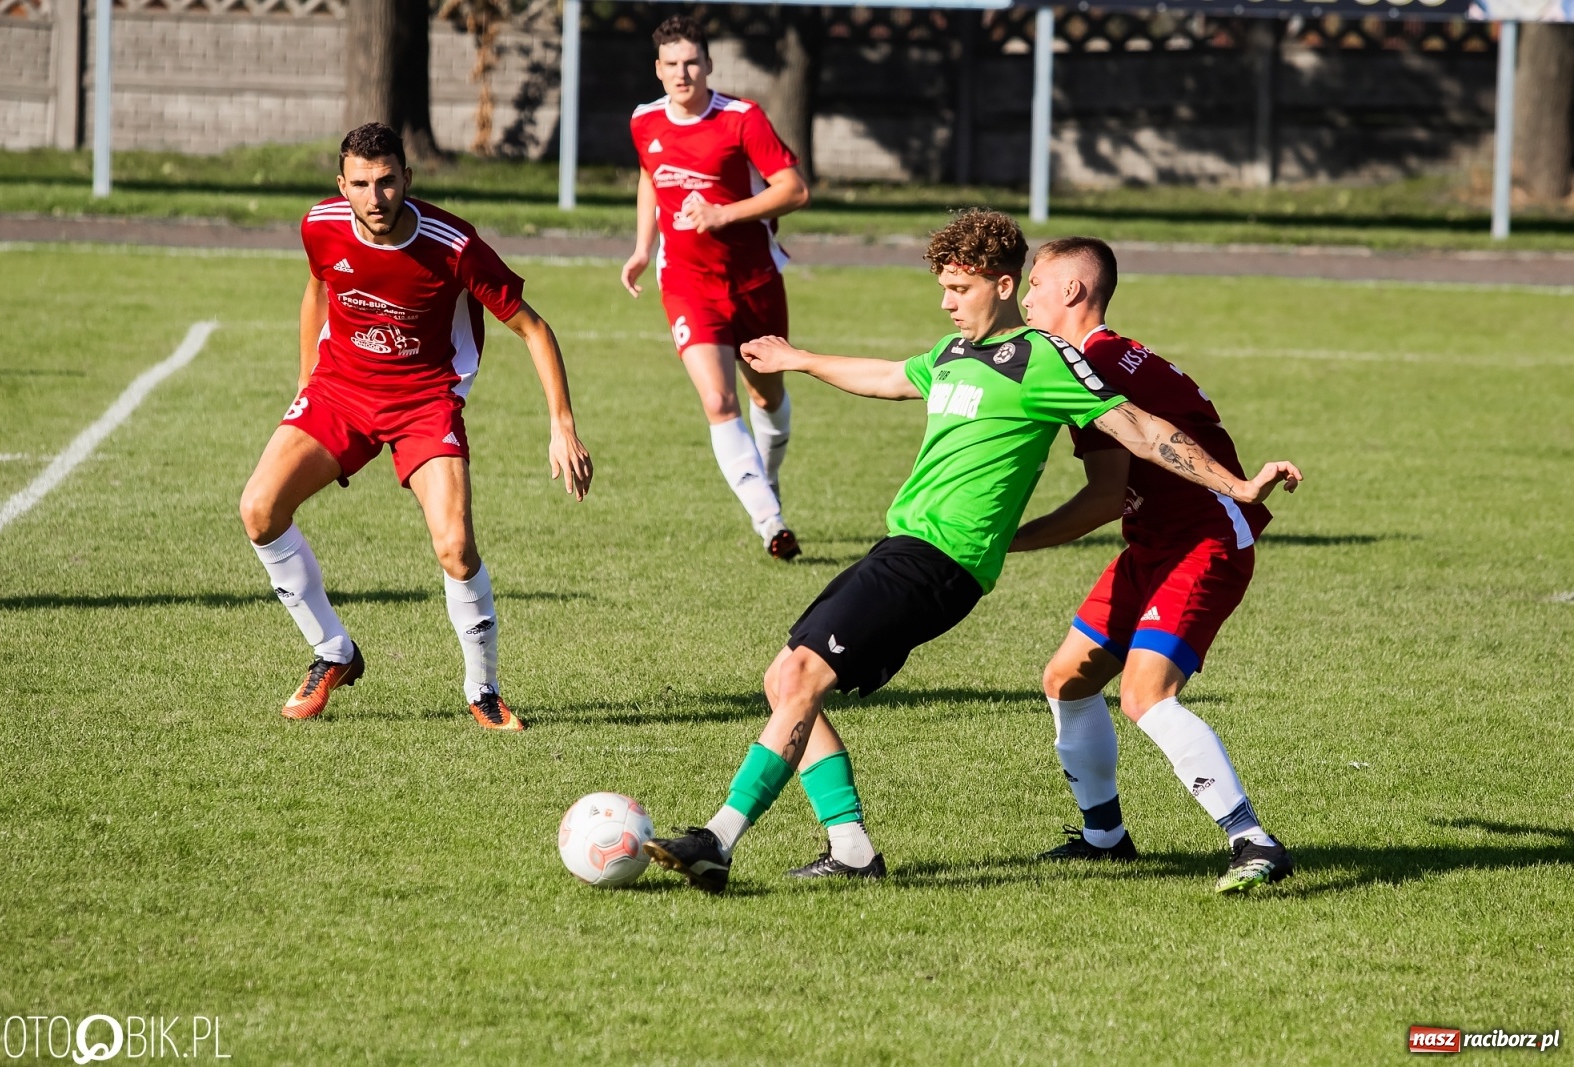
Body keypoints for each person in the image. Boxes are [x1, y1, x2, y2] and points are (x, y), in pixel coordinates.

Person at [643, 211, 1301, 893]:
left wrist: (1238, 484)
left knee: (805, 676)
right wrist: (799, 360)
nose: (946, 301)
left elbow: (1139, 428)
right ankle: (855, 848)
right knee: (786, 679)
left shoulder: (1045, 361)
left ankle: (717, 837)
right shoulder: (954, 356)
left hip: (937, 564)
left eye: (959, 287)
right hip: (901, 546)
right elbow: (889, 376)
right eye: (944, 287)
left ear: (1006, 285)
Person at [238, 123, 593, 731]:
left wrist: (562, 423)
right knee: (259, 510)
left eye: (386, 181)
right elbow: (318, 288)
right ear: (341, 184)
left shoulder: (453, 245)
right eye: (360, 184)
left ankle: (483, 689)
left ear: (408, 177)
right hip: (340, 392)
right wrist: (305, 382)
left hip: (425, 401)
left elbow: (533, 328)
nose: (374, 197)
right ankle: (332, 651)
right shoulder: (320, 224)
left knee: (455, 547)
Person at [1011, 236, 1297, 893]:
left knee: (1144, 694)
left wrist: (1006, 540)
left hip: (1203, 540)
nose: (1027, 297)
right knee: (1069, 678)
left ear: (1073, 292)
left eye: (1036, 284)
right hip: (1152, 541)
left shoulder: (1095, 362)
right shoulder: (1101, 354)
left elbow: (1102, 498)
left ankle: (1252, 840)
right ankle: (1104, 838)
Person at [621, 15, 811, 559]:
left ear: (708, 65)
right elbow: (648, 179)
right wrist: (642, 247)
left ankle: (766, 478)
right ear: (658, 71)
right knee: (718, 398)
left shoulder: (742, 119)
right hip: (686, 281)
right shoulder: (644, 122)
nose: (683, 73)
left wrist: (725, 215)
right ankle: (769, 521)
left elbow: (794, 190)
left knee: (765, 394)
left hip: (754, 280)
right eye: (672, 64)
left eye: (692, 62)